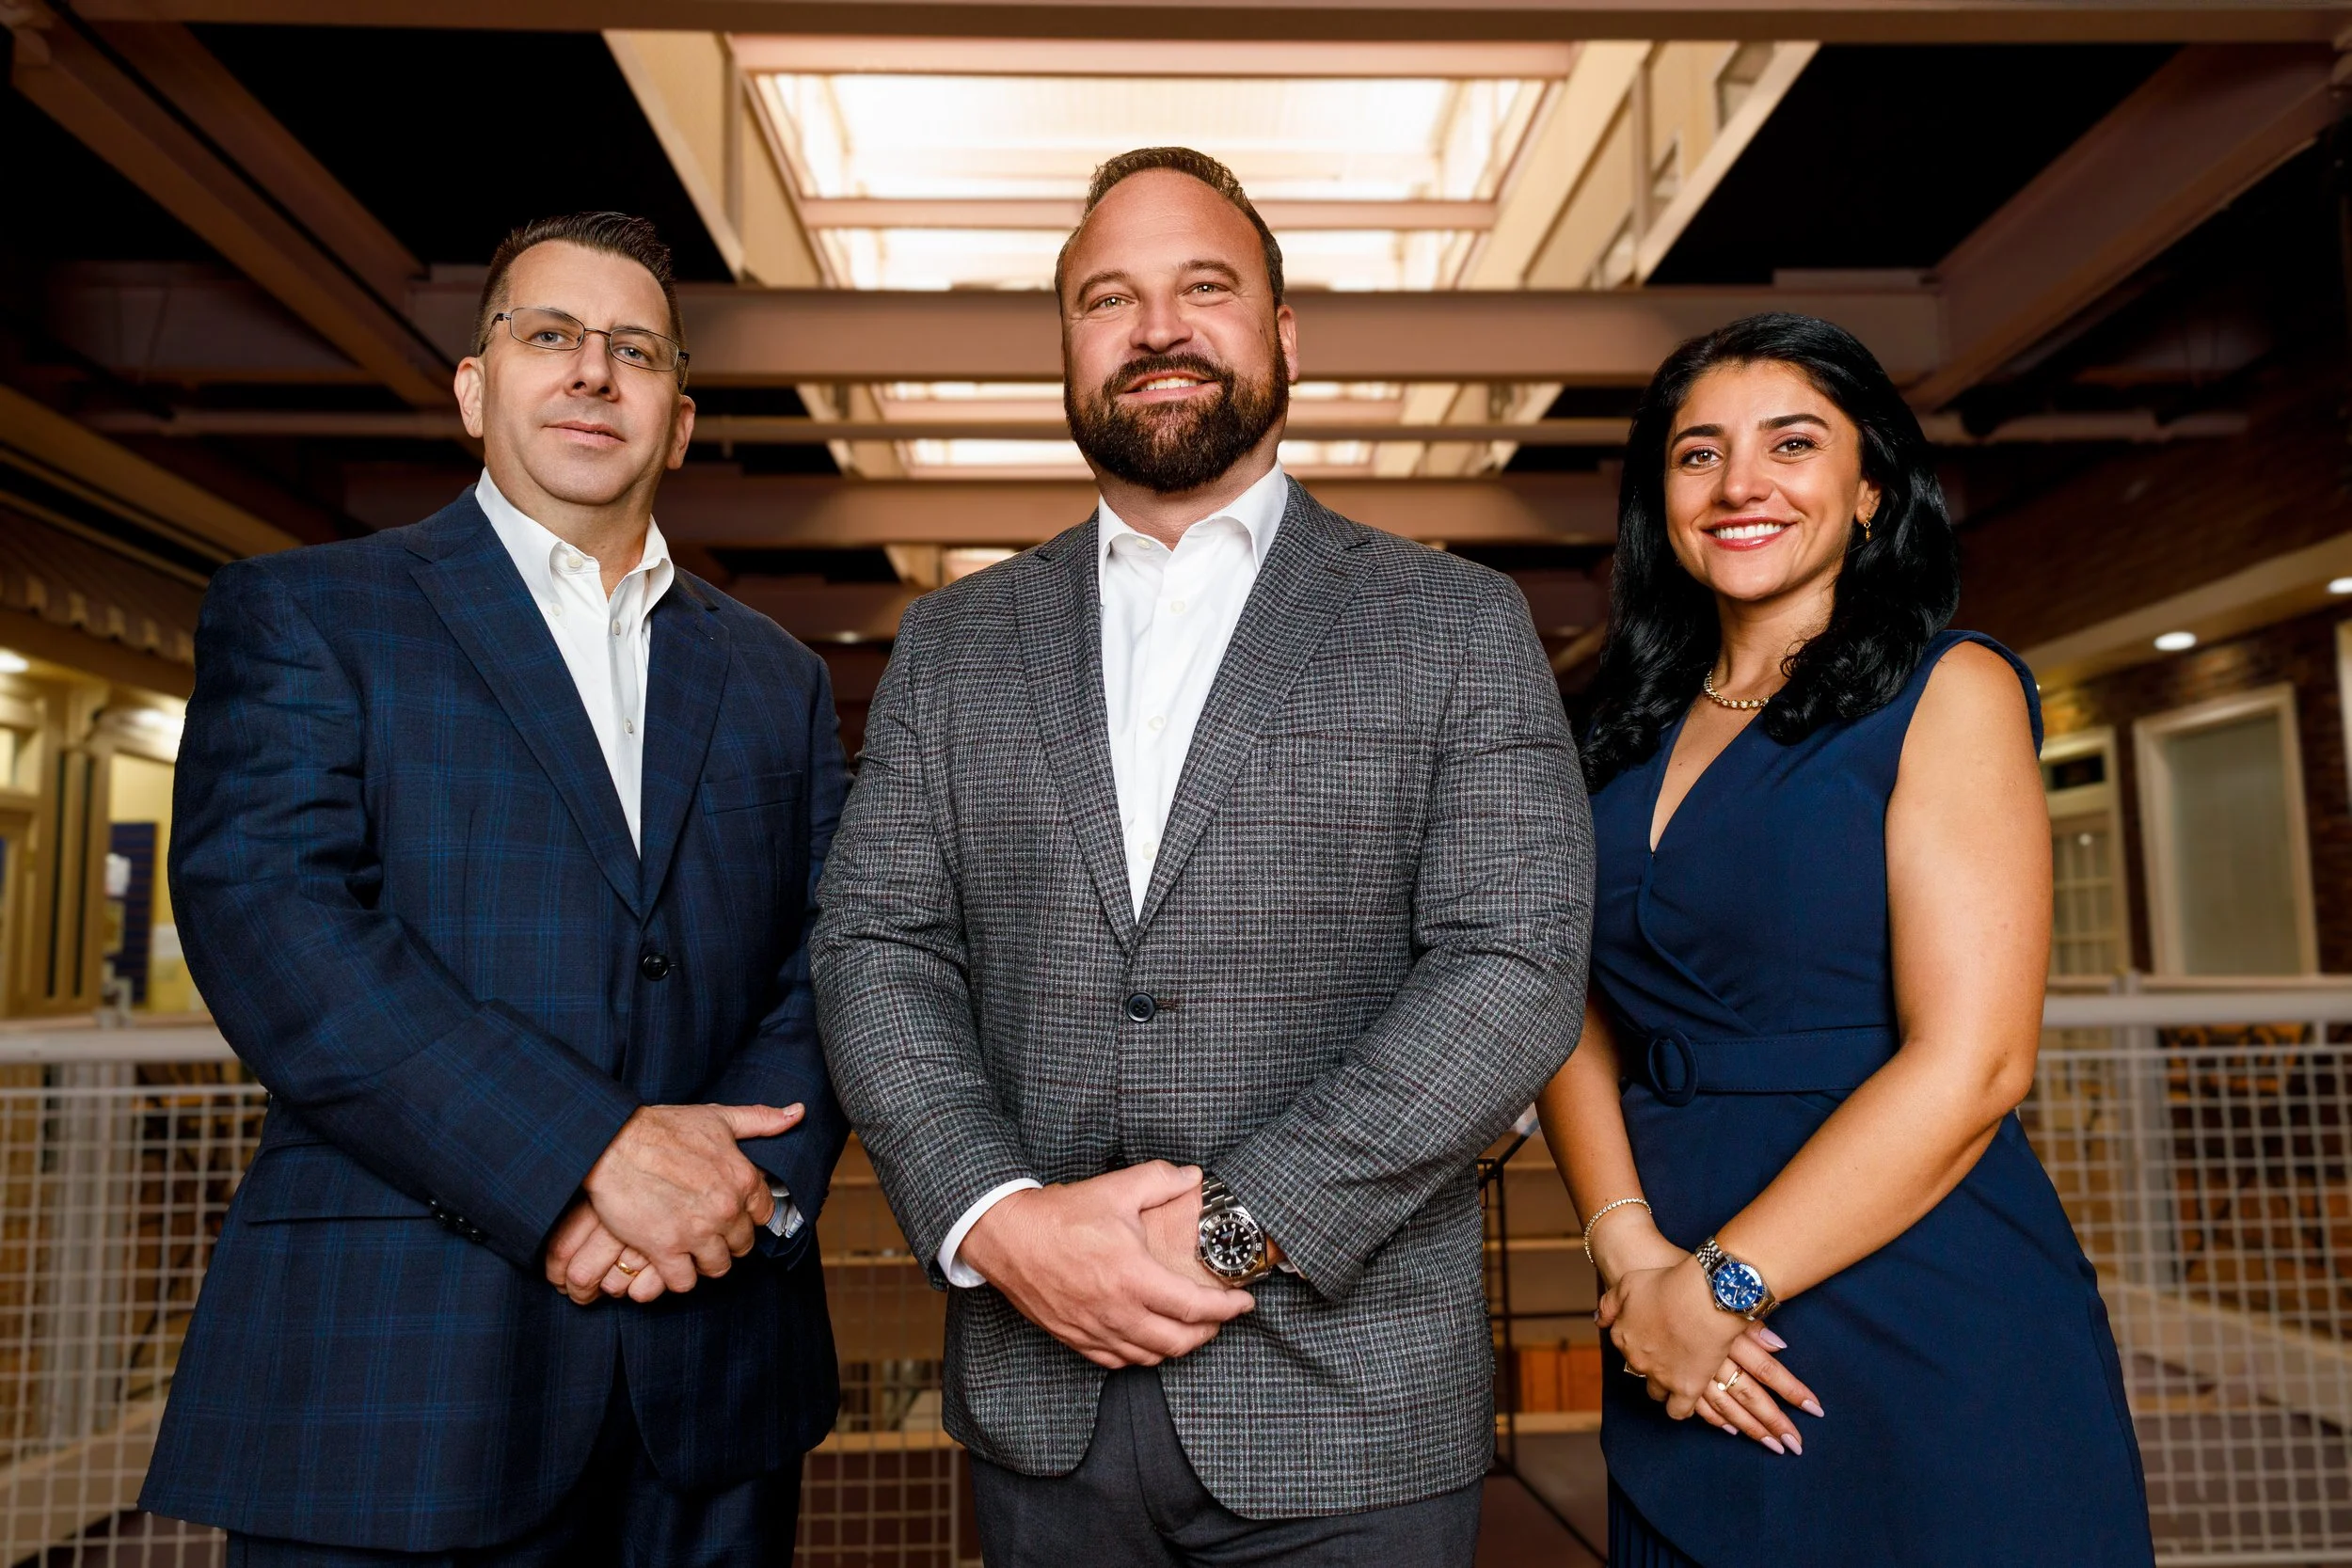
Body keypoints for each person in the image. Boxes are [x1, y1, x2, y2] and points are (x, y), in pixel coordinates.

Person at [812, 146, 1591, 1566]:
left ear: (1282, 336)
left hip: (1350, 1408)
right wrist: (999, 1219)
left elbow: (1514, 966)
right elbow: (877, 944)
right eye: (1110, 297)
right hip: (1038, 1400)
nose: (1158, 327)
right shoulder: (953, 641)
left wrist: (1234, 1231)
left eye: (1203, 287)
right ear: (1067, 350)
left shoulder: (1454, 621)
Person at [141, 212, 850, 1566]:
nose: (593, 370)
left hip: (708, 1384)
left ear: (681, 420)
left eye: (634, 349)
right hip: (398, 1386)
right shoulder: (309, 614)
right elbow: (279, 932)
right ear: (476, 389)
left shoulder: (773, 675)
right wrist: (587, 1155)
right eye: (550, 335)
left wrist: (731, 1198)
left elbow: (834, 957)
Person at [1537, 312, 2153, 1566]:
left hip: (1909, 1290)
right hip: (1671, 1319)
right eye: (1697, 453)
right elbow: (1556, 998)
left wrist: (1720, 1285)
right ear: (1661, 498)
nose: (1741, 483)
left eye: (1793, 442)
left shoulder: (1950, 688)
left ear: (1872, 487)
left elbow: (1975, 1062)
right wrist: (1633, 1254)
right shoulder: (1610, 729)